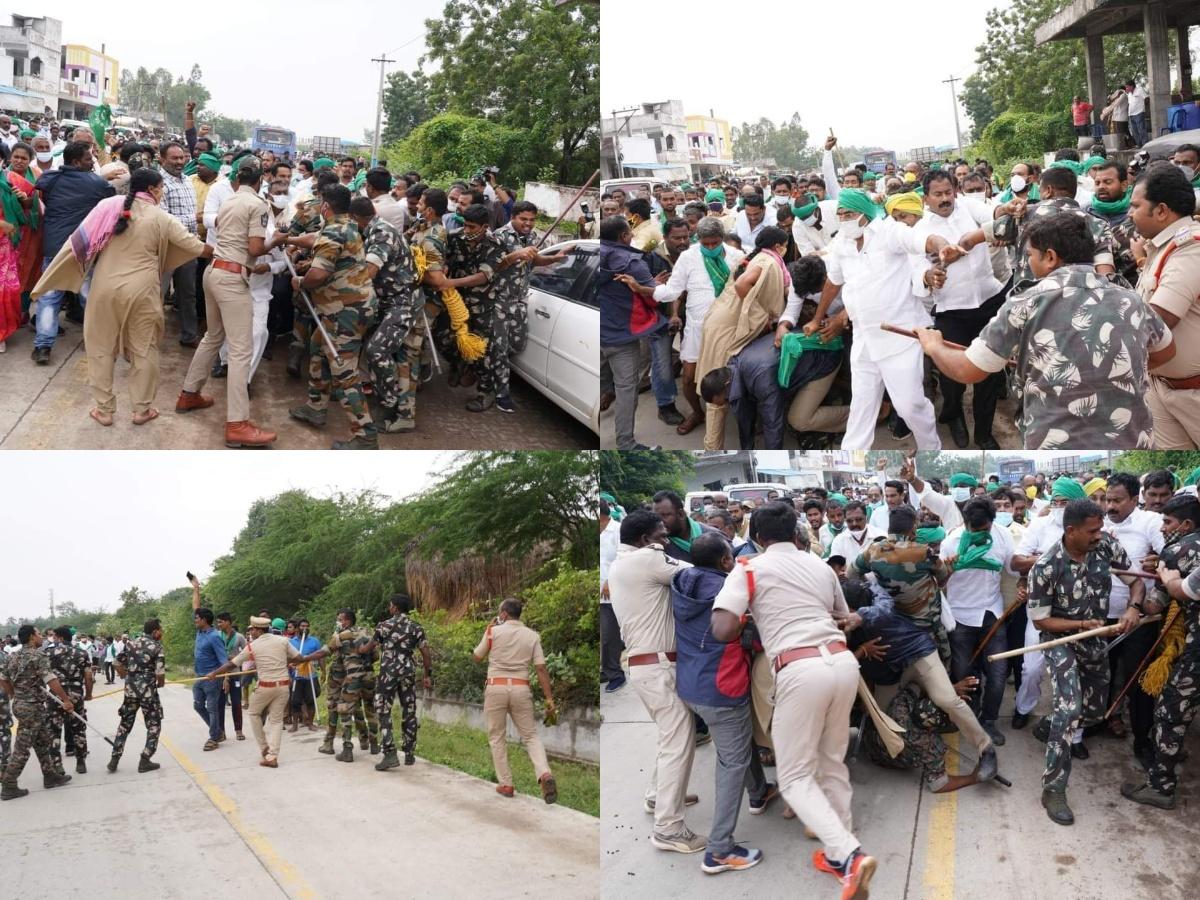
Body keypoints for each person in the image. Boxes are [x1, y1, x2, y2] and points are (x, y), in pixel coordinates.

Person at [708, 502, 877, 898]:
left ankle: (851, 856)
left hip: (800, 670)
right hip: (842, 663)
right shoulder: (819, 565)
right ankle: (840, 853)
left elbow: (722, 629)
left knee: (795, 775)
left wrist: (750, 613)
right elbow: (843, 615)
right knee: (832, 761)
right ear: (796, 532)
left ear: (757, 536)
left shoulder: (749, 567)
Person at [917, 213, 1173, 449]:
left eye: (1029, 255)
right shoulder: (1131, 299)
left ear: (1050, 257)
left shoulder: (1026, 303)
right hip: (1131, 438)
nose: (1028, 262)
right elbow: (1166, 351)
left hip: (1055, 441)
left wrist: (934, 346)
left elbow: (967, 370)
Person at [805, 190, 960, 450]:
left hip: (898, 336)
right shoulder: (842, 241)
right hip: (863, 338)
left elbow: (923, 239)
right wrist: (817, 318)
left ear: (865, 214)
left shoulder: (890, 232)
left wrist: (943, 246)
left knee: (909, 406)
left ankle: (930, 448)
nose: (844, 219)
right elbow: (834, 281)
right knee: (861, 406)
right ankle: (852, 457)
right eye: (840, 215)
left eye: (849, 214)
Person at [1028, 498, 1144, 825]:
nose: (1099, 535)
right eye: (1093, 531)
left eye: (1100, 529)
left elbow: (1135, 581)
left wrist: (1133, 608)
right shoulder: (1047, 567)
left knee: (1093, 712)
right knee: (1069, 708)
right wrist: (1079, 625)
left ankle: (1049, 727)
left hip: (1095, 639)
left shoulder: (1106, 546)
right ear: (1071, 531)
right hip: (1060, 640)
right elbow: (1041, 621)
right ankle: (1053, 788)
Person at [671, 532, 772, 874]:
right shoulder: (728, 595)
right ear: (726, 562)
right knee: (731, 764)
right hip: (722, 688)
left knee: (735, 750)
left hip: (691, 685)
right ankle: (719, 850)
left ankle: (759, 793)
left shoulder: (682, 582)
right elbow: (752, 640)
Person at [608, 509, 703, 850]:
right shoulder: (649, 560)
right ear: (645, 540)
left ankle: (656, 796)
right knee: (680, 739)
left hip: (647, 666)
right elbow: (698, 572)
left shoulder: (621, 564)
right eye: (662, 536)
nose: (668, 541)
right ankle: (669, 828)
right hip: (659, 666)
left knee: (670, 736)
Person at [177, 159, 279, 448]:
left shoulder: (229, 200)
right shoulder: (258, 204)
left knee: (213, 336)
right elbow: (256, 249)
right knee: (240, 351)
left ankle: (189, 393)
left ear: (237, 179)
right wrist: (277, 240)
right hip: (233, 278)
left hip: (213, 272)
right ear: (260, 180)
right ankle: (237, 424)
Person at [283, 184, 379, 448]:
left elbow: (318, 275)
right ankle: (316, 406)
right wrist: (289, 239)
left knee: (344, 372)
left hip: (344, 312)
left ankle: (365, 437)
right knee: (317, 346)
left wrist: (301, 281)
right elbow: (317, 239)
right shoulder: (345, 224)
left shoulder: (335, 231)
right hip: (351, 306)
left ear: (325, 206)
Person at [1128, 494, 1200, 807]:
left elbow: (1160, 600)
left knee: (1170, 712)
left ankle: (1161, 786)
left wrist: (1143, 591)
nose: (1163, 526)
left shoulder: (1177, 550)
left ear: (1185, 524)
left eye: (1167, 522)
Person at [695, 226, 793, 450]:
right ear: (778, 246)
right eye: (785, 246)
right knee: (719, 392)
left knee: (728, 382)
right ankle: (712, 447)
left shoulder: (757, 256)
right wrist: (762, 317)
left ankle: (744, 431)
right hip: (728, 329)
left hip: (720, 320)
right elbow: (741, 285)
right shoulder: (768, 262)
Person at [1128, 164, 1200, 448]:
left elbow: (1158, 321)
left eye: (1135, 206)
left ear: (1161, 211)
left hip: (1193, 391)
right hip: (1162, 387)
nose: (1130, 213)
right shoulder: (1160, 247)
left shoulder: (1190, 248)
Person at [653, 217, 745, 435]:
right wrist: (648, 289)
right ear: (699, 240)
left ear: (722, 239)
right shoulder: (688, 257)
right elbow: (673, 291)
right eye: (706, 244)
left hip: (728, 329)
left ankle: (742, 415)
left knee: (733, 376)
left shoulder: (738, 257)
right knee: (688, 378)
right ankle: (697, 412)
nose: (711, 247)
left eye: (715, 243)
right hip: (696, 328)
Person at [30, 141, 115, 364]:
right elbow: (110, 199)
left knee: (49, 298)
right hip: (82, 249)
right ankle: (96, 341)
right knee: (89, 296)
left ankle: (43, 348)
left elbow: (43, 188)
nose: (92, 162)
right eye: (89, 159)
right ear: (76, 162)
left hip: (54, 248)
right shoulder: (97, 184)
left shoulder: (50, 180)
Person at [939, 497, 1015, 745]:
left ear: (993, 523)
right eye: (975, 530)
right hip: (960, 617)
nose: (980, 534)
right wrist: (947, 571)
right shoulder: (951, 542)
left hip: (992, 614)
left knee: (999, 671)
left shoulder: (1003, 536)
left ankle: (989, 720)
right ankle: (971, 718)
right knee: (964, 673)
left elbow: (1013, 568)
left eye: (985, 530)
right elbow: (938, 584)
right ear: (966, 523)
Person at [473, 598, 558, 803]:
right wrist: (549, 700)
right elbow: (540, 668)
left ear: (503, 614)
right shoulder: (532, 636)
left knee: (497, 736)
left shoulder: (493, 631)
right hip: (521, 687)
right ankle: (544, 773)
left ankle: (506, 784)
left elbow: (477, 656)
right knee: (530, 736)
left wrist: (487, 631)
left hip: (496, 686)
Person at [600, 215, 672, 449]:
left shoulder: (594, 254)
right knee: (626, 390)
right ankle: (626, 442)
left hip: (594, 331)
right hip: (621, 336)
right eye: (630, 233)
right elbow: (653, 296)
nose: (632, 236)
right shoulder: (631, 262)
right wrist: (655, 284)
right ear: (623, 236)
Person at [206, 616, 303, 768]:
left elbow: (232, 664)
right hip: (283, 686)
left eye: (252, 629)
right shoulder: (283, 641)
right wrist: (286, 663)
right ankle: (272, 756)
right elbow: (300, 658)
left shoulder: (252, 646)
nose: (251, 632)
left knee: (253, 713)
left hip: (265, 687)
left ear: (258, 630)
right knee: (277, 721)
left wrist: (214, 673)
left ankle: (265, 747)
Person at [358, 594, 432, 770]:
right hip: (408, 672)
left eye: (390, 606)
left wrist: (358, 649)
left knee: (383, 709)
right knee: (409, 709)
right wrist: (428, 675)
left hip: (388, 674)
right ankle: (409, 753)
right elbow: (426, 655)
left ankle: (390, 753)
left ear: (396, 608)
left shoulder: (384, 626)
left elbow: (369, 647)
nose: (389, 608)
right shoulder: (416, 627)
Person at [0, 625, 75, 799]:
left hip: (24, 705)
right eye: (39, 634)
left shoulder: (13, 656)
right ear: (32, 637)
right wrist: (65, 699)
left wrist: (13, 693)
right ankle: (9, 784)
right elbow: (51, 679)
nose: (41, 636)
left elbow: (3, 678)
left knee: (43, 742)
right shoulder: (38, 655)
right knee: (22, 748)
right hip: (31, 708)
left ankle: (50, 776)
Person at [43, 625, 92, 775]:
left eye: (55, 637)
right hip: (76, 695)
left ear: (61, 638)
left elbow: (43, 675)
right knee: (78, 729)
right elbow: (88, 677)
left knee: (54, 730)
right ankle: (81, 762)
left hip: (56, 697)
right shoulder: (82, 653)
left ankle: (57, 766)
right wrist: (88, 694)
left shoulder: (48, 653)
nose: (54, 639)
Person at [187, 574, 228, 751]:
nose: (195, 619)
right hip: (199, 677)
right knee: (198, 705)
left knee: (212, 707)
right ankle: (218, 731)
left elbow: (224, 660)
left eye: (197, 618)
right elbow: (196, 607)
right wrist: (196, 588)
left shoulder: (214, 637)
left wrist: (224, 678)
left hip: (212, 678)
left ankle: (214, 738)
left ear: (204, 620)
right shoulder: (200, 632)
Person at [214, 613, 246, 741]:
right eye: (218, 622)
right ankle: (221, 732)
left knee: (237, 702)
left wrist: (233, 659)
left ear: (228, 622)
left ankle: (239, 730)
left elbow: (246, 653)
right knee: (219, 703)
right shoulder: (216, 636)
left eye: (221, 622)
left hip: (235, 673)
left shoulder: (239, 637)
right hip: (220, 674)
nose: (219, 624)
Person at [287, 619, 322, 732]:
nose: (305, 628)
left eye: (307, 626)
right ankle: (295, 725)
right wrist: (289, 671)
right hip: (296, 675)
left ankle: (310, 723)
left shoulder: (315, 641)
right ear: (297, 628)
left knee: (311, 700)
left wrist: (324, 671)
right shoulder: (291, 642)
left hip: (310, 675)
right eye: (302, 626)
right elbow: (287, 659)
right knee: (295, 701)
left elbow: (321, 656)